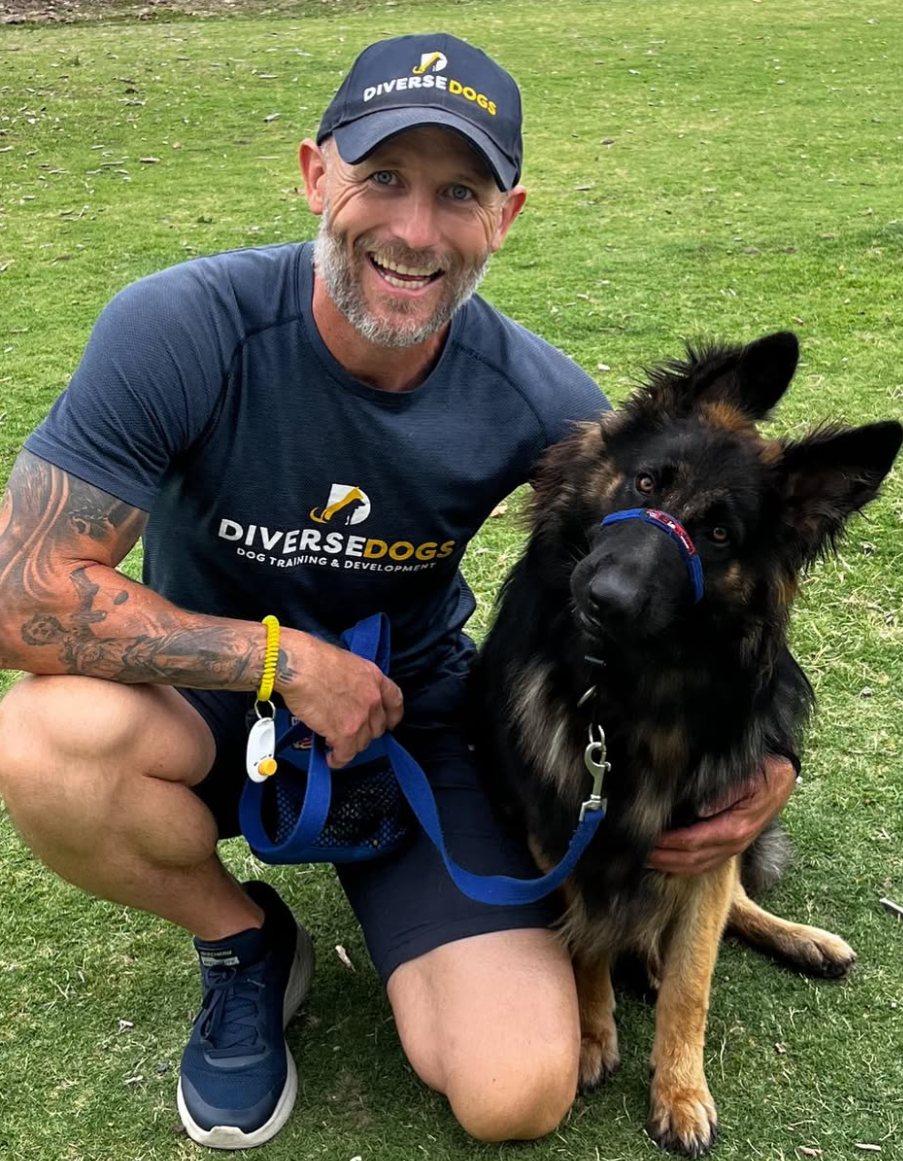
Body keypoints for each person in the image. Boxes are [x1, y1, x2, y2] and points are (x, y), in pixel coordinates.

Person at [0, 32, 797, 1151]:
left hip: (415, 724)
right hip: (215, 705)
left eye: (457, 193)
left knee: (517, 1090)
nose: (415, 232)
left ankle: (404, 895)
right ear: (316, 174)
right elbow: (20, 598)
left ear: (504, 218)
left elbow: (684, 548)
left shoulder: (543, 401)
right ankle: (243, 945)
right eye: (384, 178)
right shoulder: (181, 326)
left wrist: (774, 759)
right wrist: (285, 662)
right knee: (38, 740)